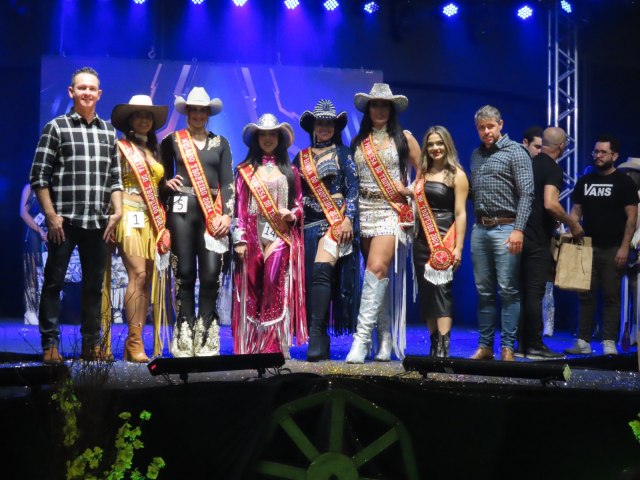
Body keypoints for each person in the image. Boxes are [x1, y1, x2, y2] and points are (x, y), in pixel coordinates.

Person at [29, 66, 122, 363]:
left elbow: (115, 178)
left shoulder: (109, 132)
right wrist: (50, 215)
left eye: (92, 88)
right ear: (71, 92)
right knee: (53, 283)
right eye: (81, 88)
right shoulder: (56, 127)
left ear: (99, 94)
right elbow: (39, 176)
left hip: (97, 223)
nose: (87, 93)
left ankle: (91, 345)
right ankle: (50, 344)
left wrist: (118, 211)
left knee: (94, 287)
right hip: (64, 222)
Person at [345, 83, 421, 363]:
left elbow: (424, 172)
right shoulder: (358, 141)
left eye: (384, 105)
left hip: (390, 210)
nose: (379, 109)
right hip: (363, 211)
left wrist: (409, 189)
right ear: (368, 109)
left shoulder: (404, 138)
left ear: (391, 109)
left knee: (376, 268)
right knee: (376, 277)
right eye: (375, 105)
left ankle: (361, 339)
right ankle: (385, 337)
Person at [161, 87, 234, 358]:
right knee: (184, 272)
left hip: (212, 214)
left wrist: (227, 214)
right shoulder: (172, 140)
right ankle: (184, 331)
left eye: (203, 111)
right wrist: (165, 184)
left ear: (208, 114)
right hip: (180, 211)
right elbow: (159, 176)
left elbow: (227, 182)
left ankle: (206, 332)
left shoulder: (221, 143)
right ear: (187, 112)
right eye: (194, 110)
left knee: (211, 273)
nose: (198, 115)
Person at [232, 113, 306, 357]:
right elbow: (239, 208)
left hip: (279, 234)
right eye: (263, 134)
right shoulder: (244, 171)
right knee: (253, 286)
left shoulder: (291, 171)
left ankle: (272, 343)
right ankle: (253, 343)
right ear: (256, 138)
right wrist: (240, 239)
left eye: (272, 134)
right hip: (253, 232)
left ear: (279, 137)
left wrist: (292, 214)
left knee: (274, 282)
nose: (267, 138)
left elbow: (299, 204)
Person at [293, 100, 360, 362]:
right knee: (312, 282)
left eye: (328, 123)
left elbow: (353, 189)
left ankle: (316, 335)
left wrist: (348, 219)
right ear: (313, 126)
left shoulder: (343, 153)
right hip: (307, 226)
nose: (324, 127)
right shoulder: (301, 157)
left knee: (322, 273)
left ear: (335, 126)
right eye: (320, 123)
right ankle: (319, 337)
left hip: (335, 225)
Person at [106, 95, 170, 362]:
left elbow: (155, 186)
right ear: (130, 120)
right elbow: (110, 182)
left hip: (151, 218)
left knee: (146, 281)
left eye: (148, 116)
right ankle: (134, 342)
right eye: (138, 115)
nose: (144, 120)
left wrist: (167, 184)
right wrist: (112, 214)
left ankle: (135, 340)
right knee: (139, 275)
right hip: (128, 212)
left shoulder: (154, 150)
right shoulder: (120, 148)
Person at [469, 105, 534, 362]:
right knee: (483, 291)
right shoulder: (476, 155)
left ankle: (507, 347)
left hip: (506, 227)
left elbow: (527, 194)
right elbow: (474, 192)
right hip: (480, 228)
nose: (486, 131)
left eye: (490, 126)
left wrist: (518, 229)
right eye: (481, 128)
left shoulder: (516, 152)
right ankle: (485, 346)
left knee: (507, 289)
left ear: (500, 125)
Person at [566, 135, 638, 356]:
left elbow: (632, 218)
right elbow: (576, 212)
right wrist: (571, 234)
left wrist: (624, 247)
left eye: (602, 152)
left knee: (611, 295)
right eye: (595, 152)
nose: (598, 156)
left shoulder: (624, 183)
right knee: (585, 295)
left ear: (614, 156)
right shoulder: (585, 181)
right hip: (586, 246)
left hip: (613, 247)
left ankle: (609, 342)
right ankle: (583, 341)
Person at [518, 127, 584, 359]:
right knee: (535, 293)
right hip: (537, 238)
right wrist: (572, 223)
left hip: (519, 234)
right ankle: (534, 345)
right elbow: (550, 203)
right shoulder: (553, 168)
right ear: (562, 146)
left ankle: (521, 345)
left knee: (523, 292)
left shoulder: (529, 164)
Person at [412, 126, 468, 358]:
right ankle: (434, 347)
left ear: (447, 145)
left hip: (444, 239)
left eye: (439, 143)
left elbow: (460, 213)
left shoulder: (457, 174)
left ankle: (444, 350)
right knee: (427, 293)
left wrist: (458, 248)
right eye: (431, 144)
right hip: (421, 240)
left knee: (442, 292)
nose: (435, 148)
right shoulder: (422, 175)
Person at [20, 183, 48, 325]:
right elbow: (23, 212)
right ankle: (29, 310)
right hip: (32, 232)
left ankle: (39, 309)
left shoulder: (51, 188)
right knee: (32, 271)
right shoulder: (29, 188)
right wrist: (40, 230)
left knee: (43, 273)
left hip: (48, 231)